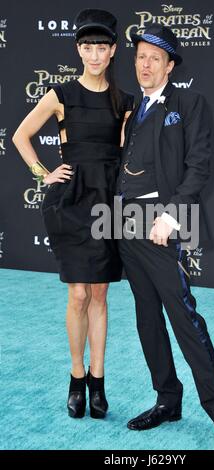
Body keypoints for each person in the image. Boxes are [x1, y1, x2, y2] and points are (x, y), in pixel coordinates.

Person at [117, 24, 214, 450]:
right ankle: (167, 400)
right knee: (146, 319)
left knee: (186, 321)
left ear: (170, 65)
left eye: (155, 58)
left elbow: (199, 166)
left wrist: (171, 217)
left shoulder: (191, 104)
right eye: (140, 56)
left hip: (163, 224)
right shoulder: (131, 108)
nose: (146, 64)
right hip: (124, 222)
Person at [12, 9, 133, 420]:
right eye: (87, 47)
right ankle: (76, 376)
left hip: (109, 201)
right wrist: (43, 173)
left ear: (113, 50)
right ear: (78, 50)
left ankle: (99, 381)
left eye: (102, 47)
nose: (94, 54)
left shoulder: (125, 101)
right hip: (71, 200)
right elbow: (20, 135)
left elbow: (128, 153)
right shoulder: (60, 94)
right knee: (78, 293)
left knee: (99, 293)